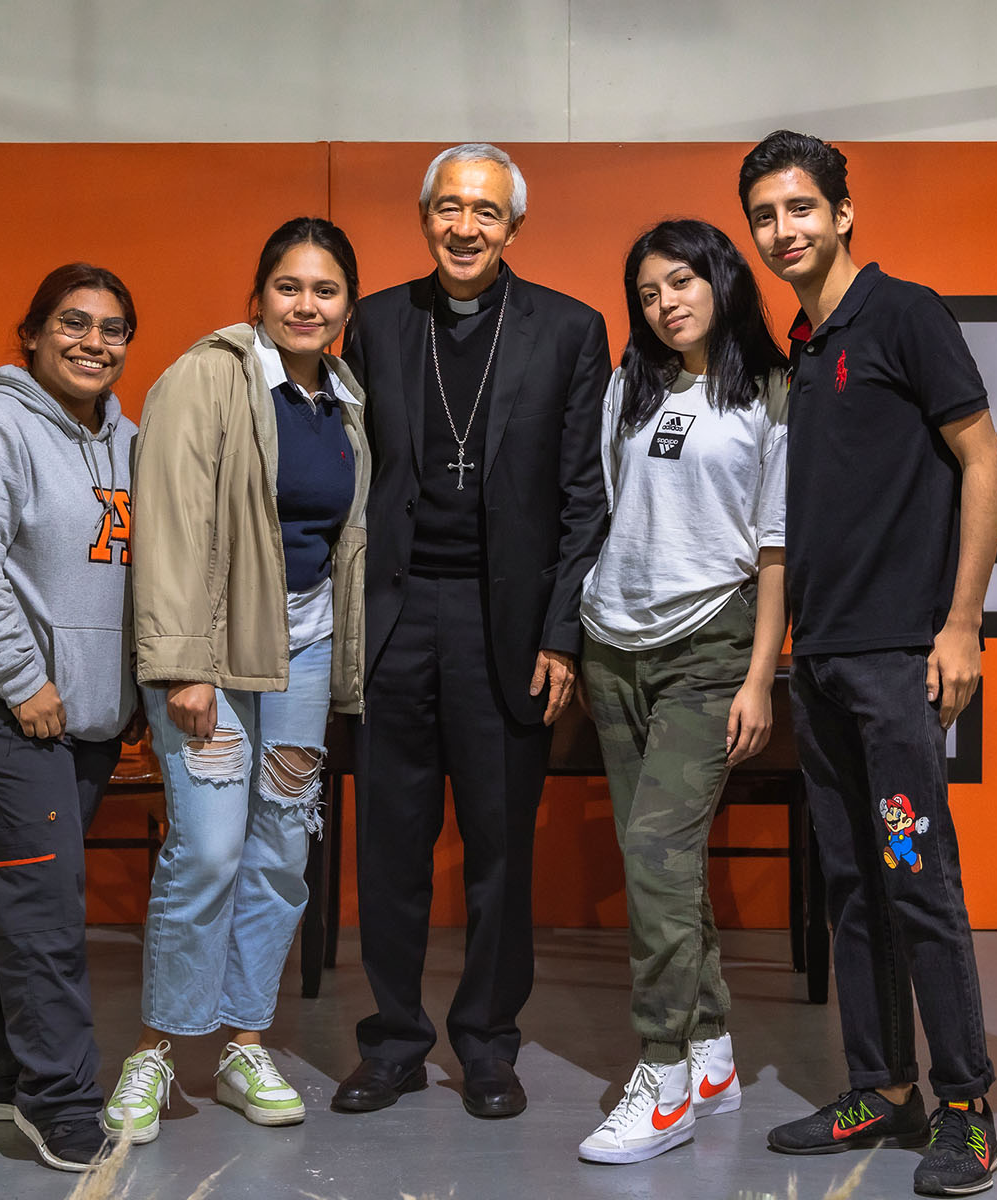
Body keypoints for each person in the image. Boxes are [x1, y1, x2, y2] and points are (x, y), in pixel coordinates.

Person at [738, 130, 997, 1196]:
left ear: (844, 213)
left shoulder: (905, 314)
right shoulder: (805, 347)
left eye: (800, 209)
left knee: (915, 881)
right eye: (765, 216)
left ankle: (968, 1103)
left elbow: (982, 457)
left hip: (900, 658)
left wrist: (962, 623)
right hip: (824, 660)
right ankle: (879, 1085)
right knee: (853, 884)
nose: (782, 231)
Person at [332, 143, 610, 1120]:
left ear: (513, 228)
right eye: (448, 207)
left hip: (510, 627)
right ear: (423, 217)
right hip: (396, 620)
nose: (464, 226)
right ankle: (396, 1042)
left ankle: (489, 1046)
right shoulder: (373, 324)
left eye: (485, 212)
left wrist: (562, 633)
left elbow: (587, 494)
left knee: (500, 850)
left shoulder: (572, 330)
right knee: (392, 846)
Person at [107, 217, 370, 1146]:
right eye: (290, 287)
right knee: (209, 850)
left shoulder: (341, 394)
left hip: (302, 652)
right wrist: (181, 664)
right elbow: (171, 526)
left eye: (326, 290)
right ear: (258, 295)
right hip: (211, 657)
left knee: (281, 853)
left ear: (345, 305)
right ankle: (157, 1050)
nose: (307, 305)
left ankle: (242, 1043)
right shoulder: (205, 377)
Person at [574, 219, 789, 1164]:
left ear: (722, 281)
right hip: (612, 643)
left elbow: (776, 550)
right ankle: (710, 1048)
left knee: (658, 854)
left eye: (682, 282)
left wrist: (759, 679)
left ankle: (661, 1076)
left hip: (712, 645)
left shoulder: (773, 394)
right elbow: (605, 509)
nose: (666, 303)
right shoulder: (631, 385)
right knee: (655, 857)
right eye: (649, 292)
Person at [0, 262, 141, 1172]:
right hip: (1, 710)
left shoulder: (125, 440)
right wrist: (23, 678)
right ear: (34, 333)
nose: (93, 341)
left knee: (1, 889)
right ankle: (61, 1103)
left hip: (81, 719)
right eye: (73, 322)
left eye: (113, 328)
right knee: (44, 912)